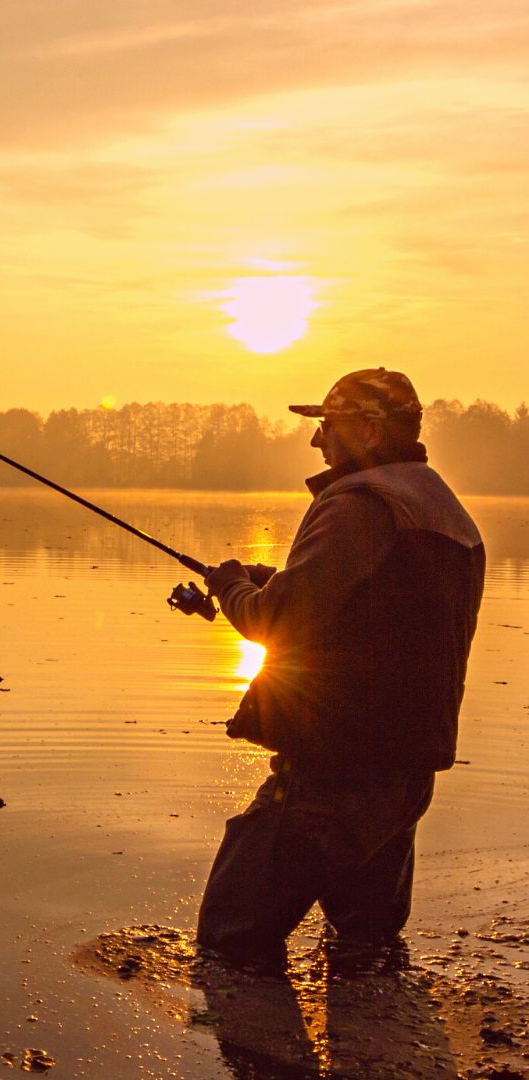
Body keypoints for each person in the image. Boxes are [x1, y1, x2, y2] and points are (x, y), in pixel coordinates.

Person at [195, 368, 485, 969]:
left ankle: (253, 1058)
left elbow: (275, 623)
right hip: (404, 771)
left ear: (372, 432)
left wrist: (229, 585)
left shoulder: (359, 505)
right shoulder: (440, 505)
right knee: (368, 947)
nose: (316, 440)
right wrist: (274, 581)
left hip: (335, 770)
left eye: (329, 425)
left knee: (230, 938)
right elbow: (383, 610)